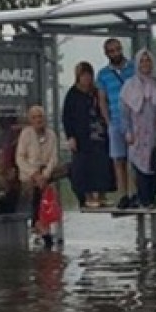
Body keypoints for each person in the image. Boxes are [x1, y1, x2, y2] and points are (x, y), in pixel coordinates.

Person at [61, 61, 115, 208]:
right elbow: (66, 117)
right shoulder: (72, 94)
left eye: (88, 75)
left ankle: (102, 195)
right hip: (81, 137)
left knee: (103, 165)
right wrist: (70, 136)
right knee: (83, 167)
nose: (86, 79)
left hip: (99, 135)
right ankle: (88, 197)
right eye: (83, 75)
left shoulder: (97, 91)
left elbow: (105, 107)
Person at [96, 38, 136, 208]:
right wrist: (108, 121)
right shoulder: (103, 74)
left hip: (133, 120)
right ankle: (123, 195)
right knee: (118, 159)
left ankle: (136, 193)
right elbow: (102, 99)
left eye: (117, 49)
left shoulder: (132, 68)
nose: (116, 53)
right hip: (115, 120)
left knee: (134, 159)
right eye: (111, 51)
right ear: (107, 53)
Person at [119, 49, 156, 209]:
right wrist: (127, 131)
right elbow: (124, 112)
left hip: (154, 132)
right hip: (137, 132)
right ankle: (143, 198)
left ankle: (152, 198)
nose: (145, 64)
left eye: (148, 60)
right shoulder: (129, 85)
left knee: (154, 164)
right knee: (139, 166)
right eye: (142, 61)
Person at [16, 105, 59, 241]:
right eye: (34, 117)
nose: (38, 120)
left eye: (40, 116)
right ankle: (39, 223)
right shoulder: (26, 134)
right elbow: (20, 158)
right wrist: (34, 174)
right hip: (29, 173)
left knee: (46, 185)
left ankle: (40, 224)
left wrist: (45, 175)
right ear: (30, 120)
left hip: (46, 173)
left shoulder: (51, 134)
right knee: (36, 188)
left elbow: (54, 158)